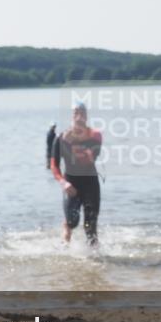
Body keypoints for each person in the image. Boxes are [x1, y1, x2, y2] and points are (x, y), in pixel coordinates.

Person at [51, 102, 103, 246]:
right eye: (76, 113)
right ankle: (66, 233)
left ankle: (95, 259)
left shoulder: (95, 136)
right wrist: (64, 183)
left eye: (82, 113)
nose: (79, 117)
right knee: (72, 222)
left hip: (90, 183)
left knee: (90, 226)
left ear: (86, 117)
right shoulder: (60, 139)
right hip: (71, 184)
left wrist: (73, 143)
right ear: (71, 117)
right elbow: (53, 166)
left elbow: (89, 158)